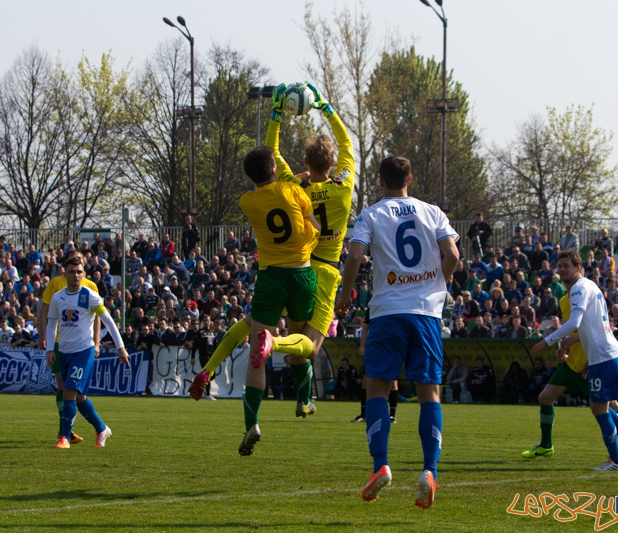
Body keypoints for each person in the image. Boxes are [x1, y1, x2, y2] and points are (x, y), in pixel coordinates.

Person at [190, 82, 355, 421]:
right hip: (320, 272)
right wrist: (325, 107)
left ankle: (213, 370)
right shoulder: (343, 188)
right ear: (334, 162)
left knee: (252, 323)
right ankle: (278, 352)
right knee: (307, 347)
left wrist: (277, 115)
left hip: (285, 265)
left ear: (306, 161)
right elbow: (347, 142)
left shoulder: (293, 186)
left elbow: (272, 152)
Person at [338, 154, 459, 509]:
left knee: (376, 387)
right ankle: (429, 471)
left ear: (380, 180)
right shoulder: (431, 211)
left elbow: (355, 256)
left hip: (388, 311)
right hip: (426, 313)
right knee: (429, 393)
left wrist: (345, 296)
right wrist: (439, 281)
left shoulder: (371, 214)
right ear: (410, 179)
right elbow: (452, 253)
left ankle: (380, 466)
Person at [225, 144, 319, 456]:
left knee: (257, 352)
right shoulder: (294, 190)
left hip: (271, 278)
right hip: (303, 275)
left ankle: (251, 422)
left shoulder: (247, 201)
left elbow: (270, 191)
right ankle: (304, 401)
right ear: (276, 169)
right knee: (297, 341)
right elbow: (313, 225)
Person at [530, 250, 618, 470]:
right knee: (599, 406)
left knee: (601, 408)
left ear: (578, 268)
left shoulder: (579, 288)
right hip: (602, 355)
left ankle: (616, 460)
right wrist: (587, 357)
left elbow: (574, 322)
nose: (562, 269)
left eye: (567, 266)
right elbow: (590, 326)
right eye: (560, 266)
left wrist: (546, 342)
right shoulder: (590, 286)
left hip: (604, 355)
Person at [45, 255, 129, 449]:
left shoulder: (89, 296)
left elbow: (108, 321)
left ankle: (64, 437)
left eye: (79, 272)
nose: (76, 275)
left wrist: (120, 347)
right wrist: (50, 349)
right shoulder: (58, 298)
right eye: (72, 272)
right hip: (64, 352)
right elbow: (51, 325)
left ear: (84, 274)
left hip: (84, 351)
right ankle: (101, 428)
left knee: (68, 391)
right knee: (78, 397)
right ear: (65, 273)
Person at [38, 250, 101, 446]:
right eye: (72, 266)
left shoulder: (90, 287)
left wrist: (97, 341)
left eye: (80, 264)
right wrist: (44, 339)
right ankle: (79, 429)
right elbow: (46, 312)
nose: (76, 271)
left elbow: (99, 316)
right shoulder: (56, 285)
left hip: (82, 345)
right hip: (59, 343)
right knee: (65, 387)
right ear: (65, 269)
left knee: (71, 390)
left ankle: (64, 432)